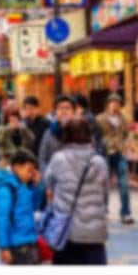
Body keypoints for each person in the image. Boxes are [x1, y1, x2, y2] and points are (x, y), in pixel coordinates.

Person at [39, 112, 112, 265]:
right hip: (94, 233)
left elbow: (48, 183)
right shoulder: (99, 161)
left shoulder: (58, 159)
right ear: (89, 135)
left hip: (66, 231)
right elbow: (105, 194)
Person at [0, 138, 42, 264]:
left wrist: (35, 185)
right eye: (29, 170)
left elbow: (29, 206)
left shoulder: (21, 185)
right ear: (16, 167)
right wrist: (4, 247)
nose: (30, 174)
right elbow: (2, 219)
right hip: (17, 245)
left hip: (28, 240)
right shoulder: (6, 189)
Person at [99, 95, 136, 225]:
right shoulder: (100, 119)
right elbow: (97, 135)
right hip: (106, 153)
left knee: (124, 184)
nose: (115, 105)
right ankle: (103, 211)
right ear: (108, 104)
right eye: (112, 102)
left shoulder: (124, 119)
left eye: (117, 103)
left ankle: (125, 213)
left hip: (120, 153)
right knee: (104, 184)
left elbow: (126, 134)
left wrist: (125, 145)